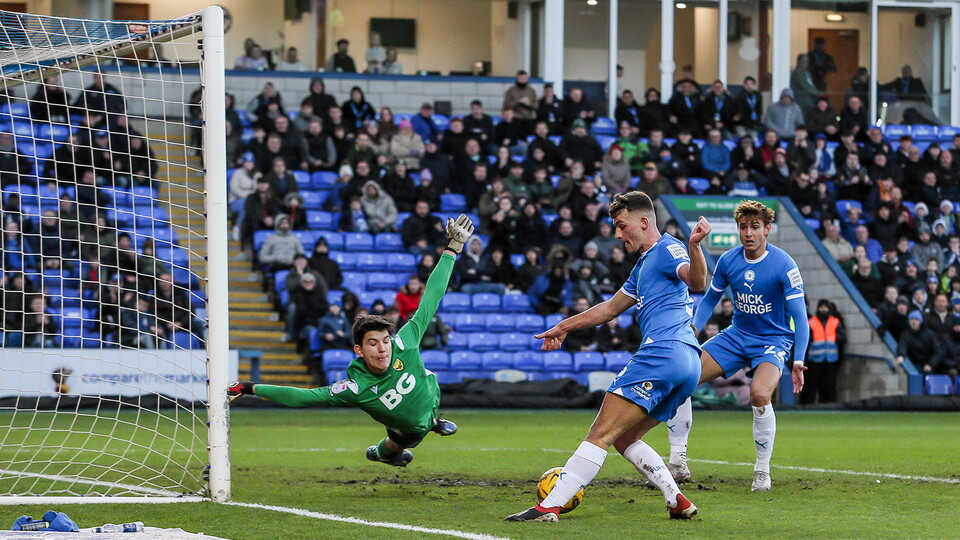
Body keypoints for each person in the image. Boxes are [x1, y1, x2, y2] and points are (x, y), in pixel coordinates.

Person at [505, 192, 711, 522]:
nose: (617, 234)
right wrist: (563, 326)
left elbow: (698, 281)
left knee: (599, 433)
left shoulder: (668, 249)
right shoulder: (644, 265)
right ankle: (676, 500)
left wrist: (696, 246)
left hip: (662, 352)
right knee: (625, 437)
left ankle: (550, 505)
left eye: (621, 225)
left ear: (644, 222)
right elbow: (609, 309)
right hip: (687, 363)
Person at [228, 215, 475, 467]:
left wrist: (453, 248)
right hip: (407, 429)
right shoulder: (357, 388)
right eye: (373, 343)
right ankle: (380, 454)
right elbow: (304, 397)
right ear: (359, 349)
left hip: (431, 398)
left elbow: (431, 296)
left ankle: (432, 421)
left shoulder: (405, 342)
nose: (382, 348)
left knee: (428, 378)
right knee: (396, 445)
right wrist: (249, 387)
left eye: (385, 340)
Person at [663, 200, 809, 493]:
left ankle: (762, 471)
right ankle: (678, 462)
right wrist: (692, 328)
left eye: (755, 227)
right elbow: (708, 301)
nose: (748, 233)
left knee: (758, 395)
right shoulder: (729, 260)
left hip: (772, 341)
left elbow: (800, 319)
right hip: (736, 336)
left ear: (767, 229)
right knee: (682, 377)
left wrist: (798, 360)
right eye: (743, 227)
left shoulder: (784, 264)